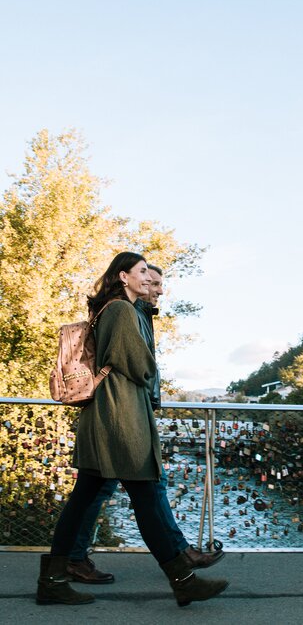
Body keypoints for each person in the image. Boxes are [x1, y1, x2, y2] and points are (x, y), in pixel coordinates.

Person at [37, 252, 228, 607]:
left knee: (88, 500)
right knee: (144, 496)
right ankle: (183, 580)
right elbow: (141, 366)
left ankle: (52, 580)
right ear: (123, 276)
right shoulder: (122, 311)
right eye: (141, 271)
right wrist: (148, 364)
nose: (147, 277)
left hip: (107, 415)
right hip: (121, 417)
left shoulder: (110, 310)